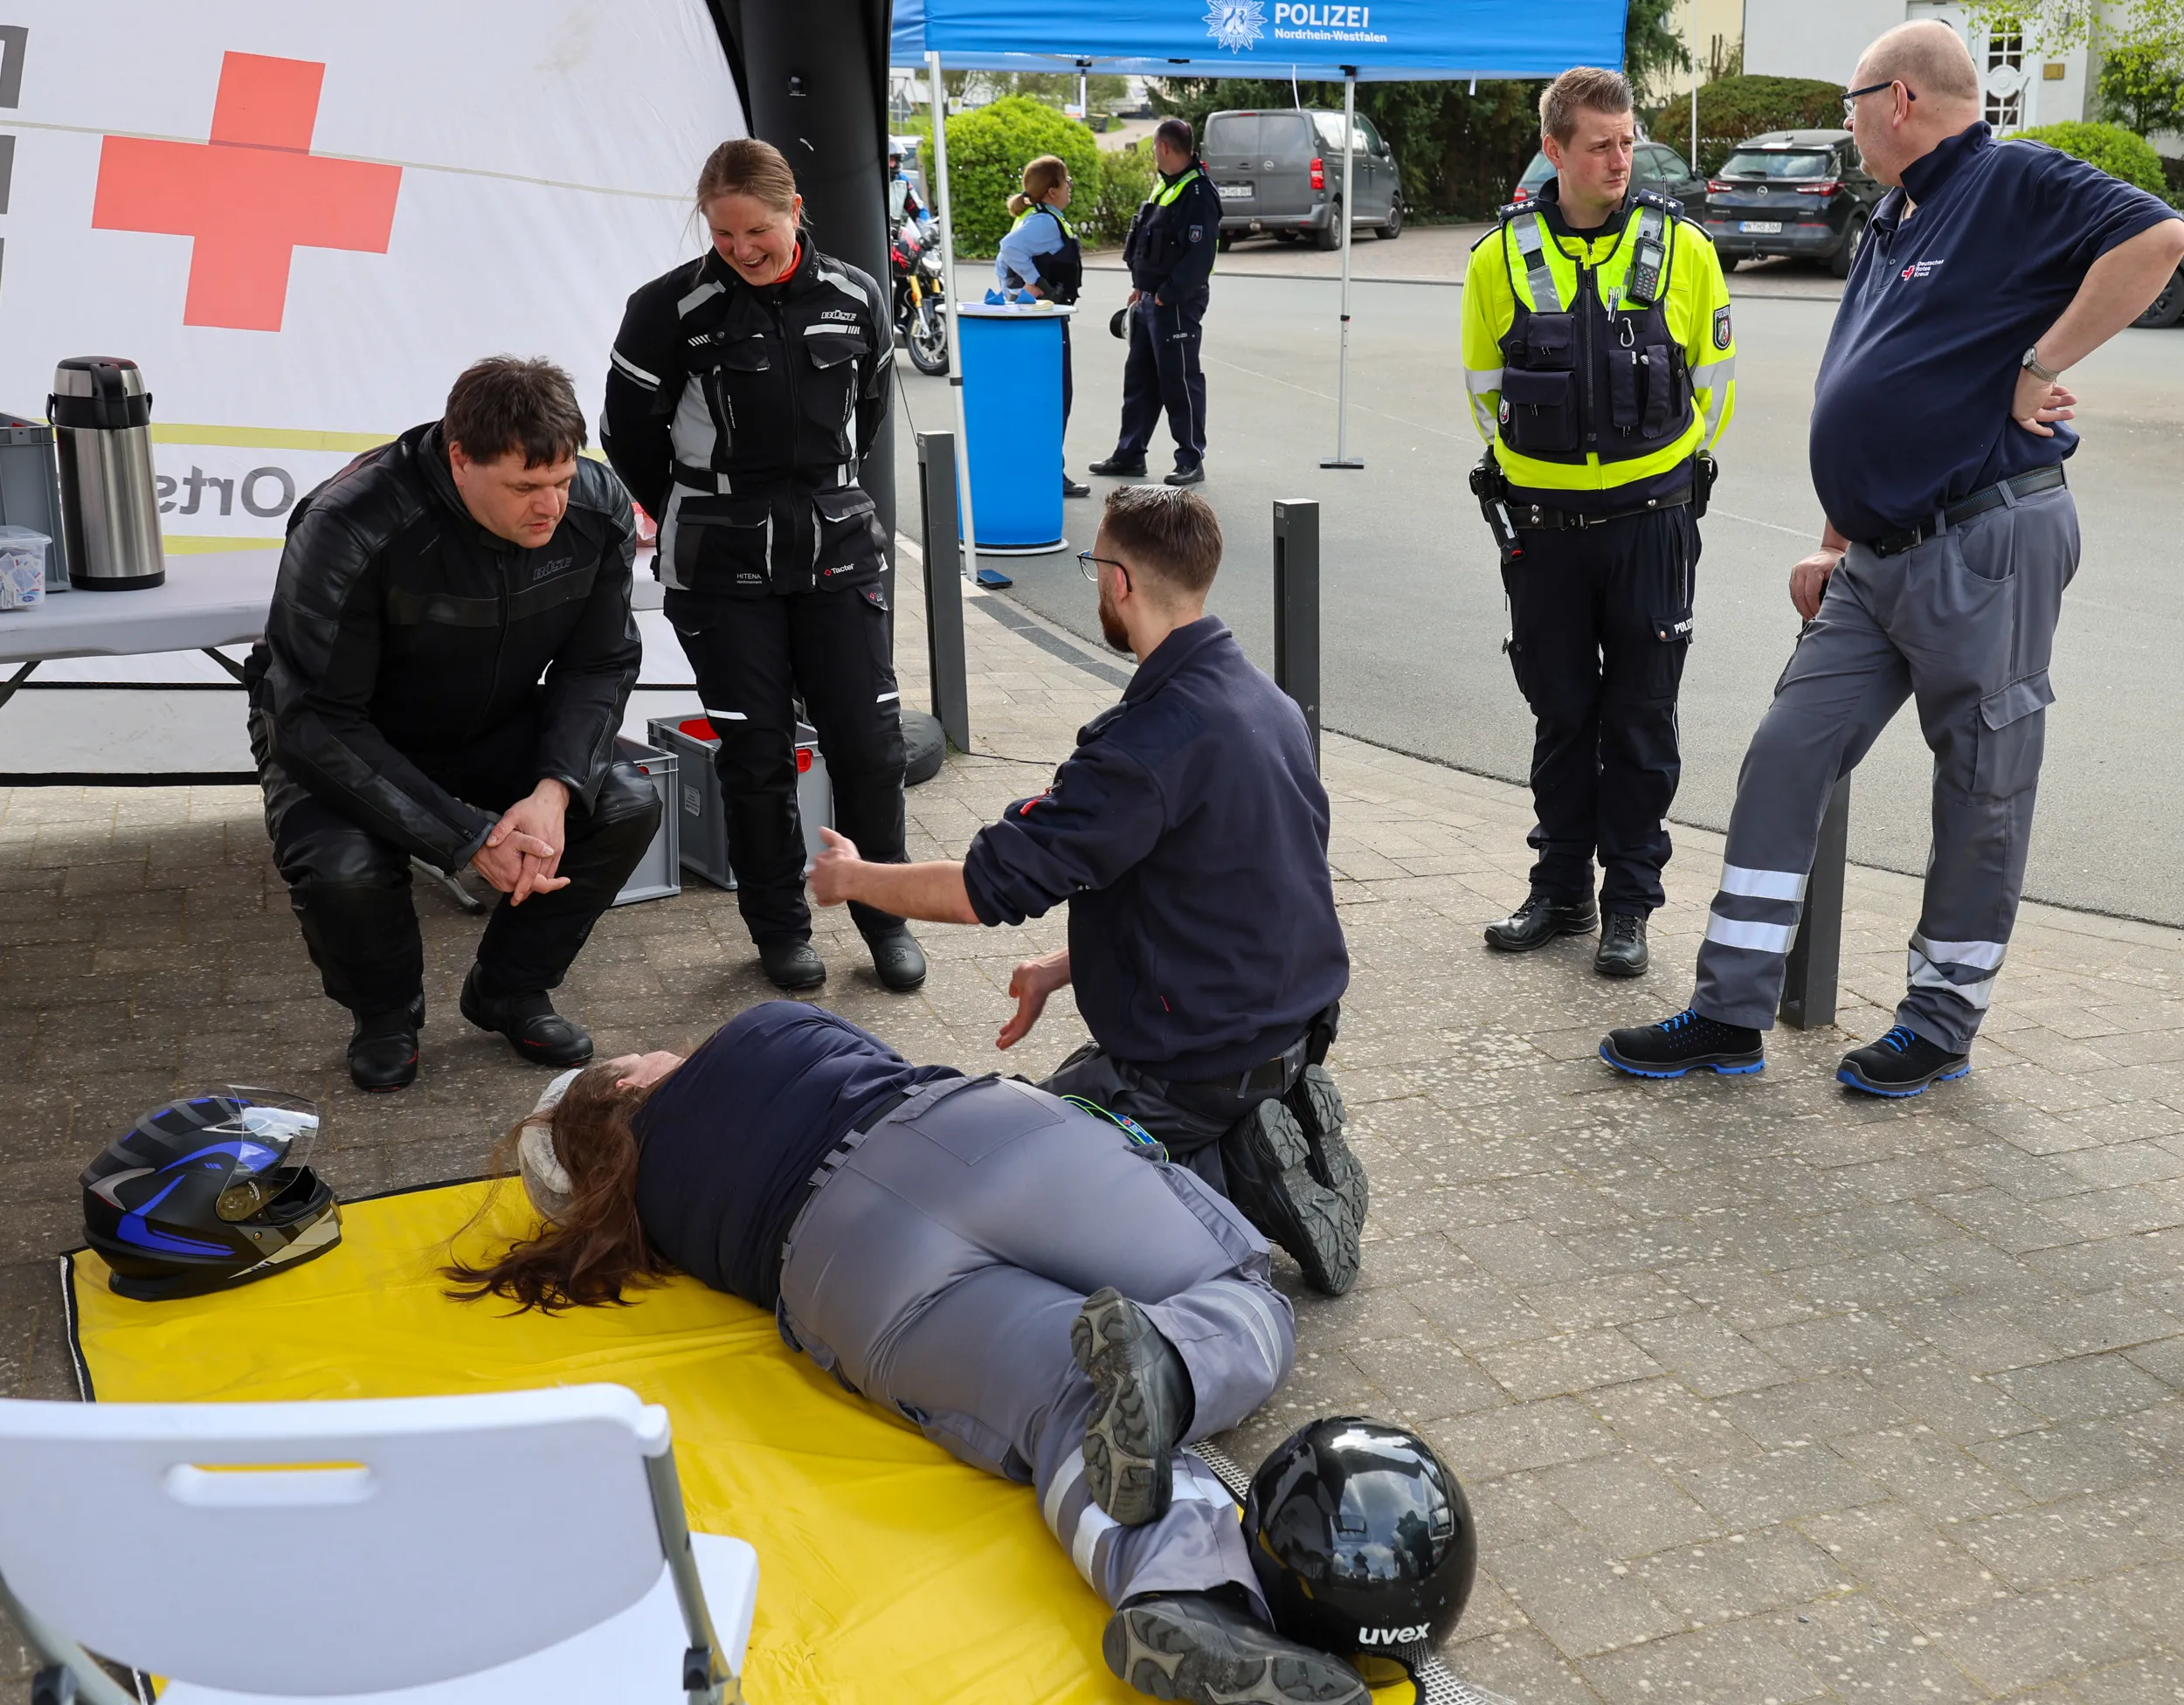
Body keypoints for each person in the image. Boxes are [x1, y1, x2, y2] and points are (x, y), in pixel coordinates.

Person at [448, 1001, 1371, 1705]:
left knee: (1067, 1402)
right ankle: (1170, 1358)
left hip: (839, 1275)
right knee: (1243, 1290)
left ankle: (1188, 1595)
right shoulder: (763, 1028)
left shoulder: (658, 1221)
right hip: (960, 1139)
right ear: (630, 1080)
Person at [1603, 21, 2184, 1094]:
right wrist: (1833, 534)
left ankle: (1941, 1017)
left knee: (1979, 783)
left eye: (1850, 102)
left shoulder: (2010, 179)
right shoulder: (1890, 214)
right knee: (1787, 749)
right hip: (1872, 558)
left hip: (1983, 541)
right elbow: (1864, 372)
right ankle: (1729, 1010)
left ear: (1900, 98)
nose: (1846, 120)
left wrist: (2039, 365)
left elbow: (2158, 239)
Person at [805, 486, 1367, 1297]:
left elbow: (980, 889)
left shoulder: (1143, 749)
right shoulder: (1269, 704)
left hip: (1199, 1059)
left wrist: (855, 879)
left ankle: (1222, 1188)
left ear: (1120, 583)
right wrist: (1068, 963)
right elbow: (1233, 885)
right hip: (1294, 1024)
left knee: (1000, 1177)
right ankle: (1257, 1120)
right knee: (1077, 1086)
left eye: (1093, 566)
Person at [247, 357, 660, 1094]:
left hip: (489, 716)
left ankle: (509, 989)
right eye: (525, 488)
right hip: (337, 735)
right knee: (346, 869)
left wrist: (554, 788)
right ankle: (385, 1015)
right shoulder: (350, 521)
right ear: (460, 457)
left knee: (625, 801)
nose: (551, 507)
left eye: (562, 481)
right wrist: (467, 839)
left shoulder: (596, 507)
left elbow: (599, 666)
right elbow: (315, 718)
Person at [602, 137, 923, 997]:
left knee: (868, 745)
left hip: (836, 551)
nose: (741, 249)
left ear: (794, 213)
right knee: (756, 751)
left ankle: (883, 915)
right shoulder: (667, 310)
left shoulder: (858, 296)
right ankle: (779, 929)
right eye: (722, 234)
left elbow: (866, 411)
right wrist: (700, 505)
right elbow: (627, 435)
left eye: (756, 232)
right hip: (720, 563)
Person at [1461, 67, 1737, 981]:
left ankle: (1628, 907)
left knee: (1642, 719)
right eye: (1600, 144)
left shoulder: (1684, 250)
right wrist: (1546, 474)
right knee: (1562, 711)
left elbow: (1713, 388)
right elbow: (1483, 394)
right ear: (1555, 150)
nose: (1620, 160)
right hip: (1542, 528)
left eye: (1627, 142)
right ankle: (1559, 890)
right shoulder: (1497, 258)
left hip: (1650, 525)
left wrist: (1651, 473)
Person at [1089, 119, 1222, 487]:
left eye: (1153, 147)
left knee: (1179, 379)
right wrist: (1141, 287)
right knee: (1140, 380)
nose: (1152, 153)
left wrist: (1165, 294)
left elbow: (1199, 258)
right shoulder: (1168, 186)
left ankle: (1191, 457)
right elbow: (1152, 244)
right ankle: (1130, 454)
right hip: (1150, 300)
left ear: (1164, 147)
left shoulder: (1197, 193)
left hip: (1176, 304)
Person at [994, 153, 1089, 499]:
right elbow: (1009, 249)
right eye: (1066, 183)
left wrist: (1014, 291)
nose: (1069, 189)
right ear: (1052, 191)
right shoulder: (1045, 222)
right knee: (1055, 398)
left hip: (1031, 317)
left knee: (1038, 398)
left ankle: (1041, 469)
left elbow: (1002, 261)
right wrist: (1035, 284)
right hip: (1043, 319)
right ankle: (1051, 472)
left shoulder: (1035, 217)